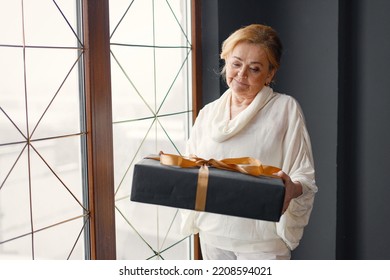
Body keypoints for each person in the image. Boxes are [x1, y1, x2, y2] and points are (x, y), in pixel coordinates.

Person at [180, 24, 318, 260]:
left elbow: (303, 175)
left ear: (270, 74)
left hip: (262, 242)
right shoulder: (208, 113)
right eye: (236, 64)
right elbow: (191, 169)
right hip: (212, 235)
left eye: (254, 68)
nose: (241, 74)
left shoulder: (285, 109)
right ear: (226, 61)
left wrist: (292, 188)